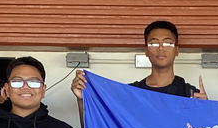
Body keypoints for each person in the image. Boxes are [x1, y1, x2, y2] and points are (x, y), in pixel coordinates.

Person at [71, 20, 207, 101]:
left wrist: (207, 111)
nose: (160, 48)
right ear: (146, 51)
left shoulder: (189, 94)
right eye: (153, 44)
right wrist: (82, 100)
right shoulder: (131, 93)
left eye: (167, 43)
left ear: (177, 50)